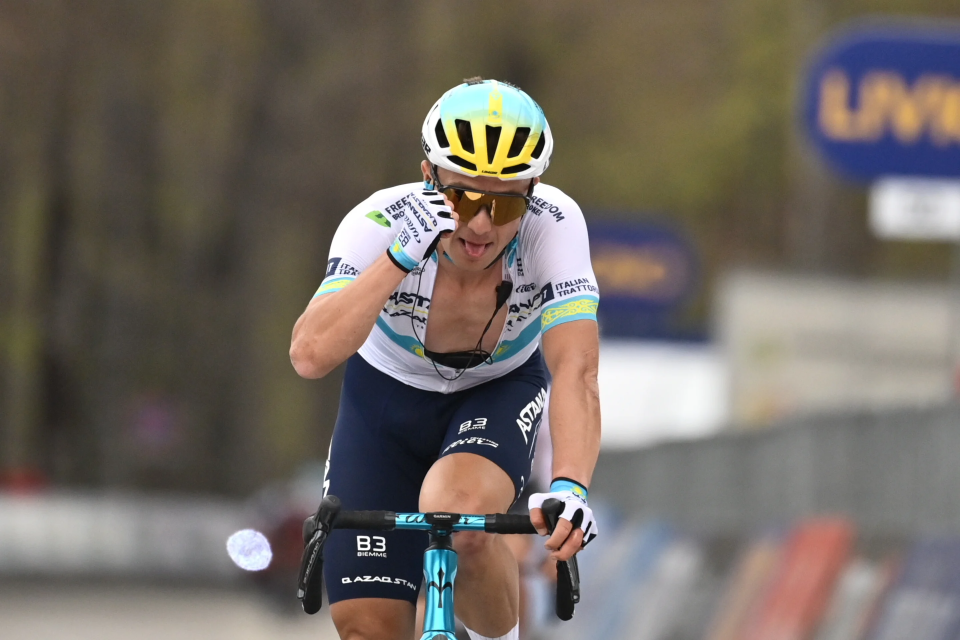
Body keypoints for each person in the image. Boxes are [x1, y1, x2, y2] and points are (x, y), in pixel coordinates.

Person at [290, 77, 601, 640]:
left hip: (497, 389)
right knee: (368, 629)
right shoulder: (379, 221)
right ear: (430, 177)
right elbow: (310, 356)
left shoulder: (554, 226)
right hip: (384, 396)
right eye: (463, 197)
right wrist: (397, 259)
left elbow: (576, 368)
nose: (482, 224)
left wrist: (572, 488)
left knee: (460, 519)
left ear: (532, 191)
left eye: (505, 202)